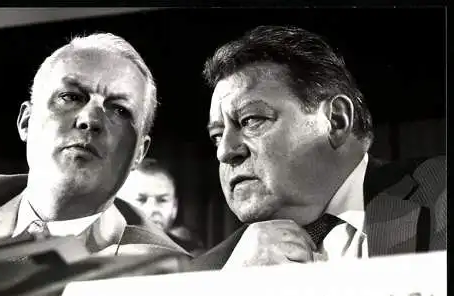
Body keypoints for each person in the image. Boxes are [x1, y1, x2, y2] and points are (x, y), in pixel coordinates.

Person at [190, 25, 446, 270]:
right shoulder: (212, 272)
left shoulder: (441, 194)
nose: (224, 151)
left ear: (336, 120)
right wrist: (230, 294)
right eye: (216, 134)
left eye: (251, 120)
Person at [0, 33, 190, 296]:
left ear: (139, 153)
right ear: (26, 121)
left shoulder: (170, 280)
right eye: (70, 96)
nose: (89, 119)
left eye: (119, 109)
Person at [117, 158, 205, 255]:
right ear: (121, 203)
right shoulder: (106, 254)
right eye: (141, 200)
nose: (152, 209)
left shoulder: (193, 257)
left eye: (162, 200)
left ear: (174, 207)